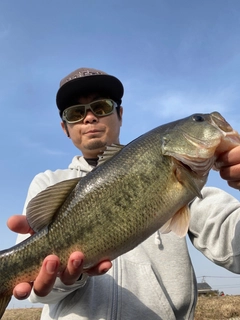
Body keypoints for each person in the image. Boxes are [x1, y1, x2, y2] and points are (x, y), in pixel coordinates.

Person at [7, 67, 240, 319]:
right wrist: (62, 278)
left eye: (102, 107)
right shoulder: (47, 182)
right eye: (76, 113)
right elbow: (34, 291)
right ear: (65, 127)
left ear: (120, 113)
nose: (89, 118)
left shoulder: (190, 185)